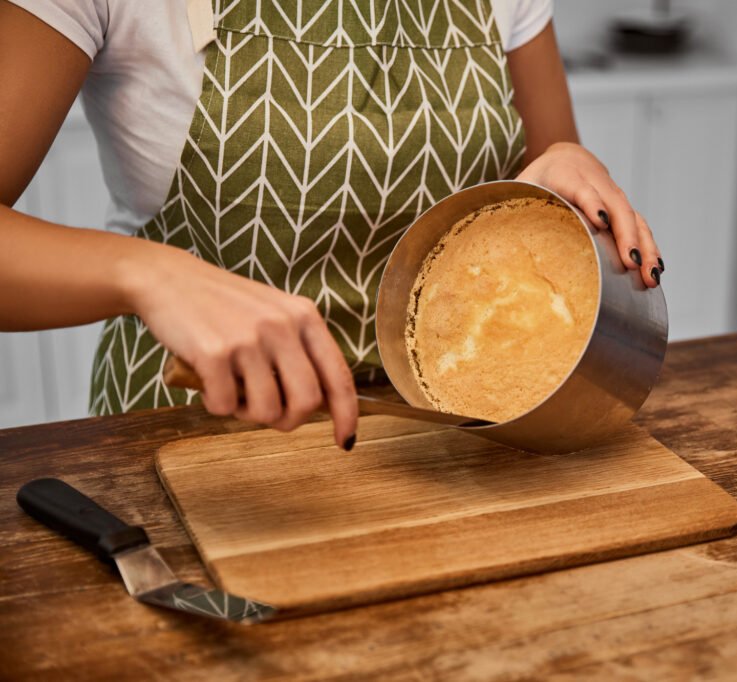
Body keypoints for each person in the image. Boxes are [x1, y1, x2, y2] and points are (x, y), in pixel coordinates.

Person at [0, 0, 664, 449]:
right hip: (188, 432)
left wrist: (564, 167)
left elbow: (541, 181)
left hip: (451, 447)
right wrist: (147, 272)